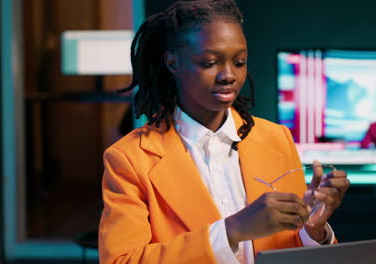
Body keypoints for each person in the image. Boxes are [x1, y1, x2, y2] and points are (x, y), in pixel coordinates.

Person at [99, 0, 350, 263]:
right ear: (172, 63)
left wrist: (313, 230)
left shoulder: (277, 139)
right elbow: (121, 260)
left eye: (239, 61)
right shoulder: (129, 158)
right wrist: (232, 230)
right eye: (210, 63)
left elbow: (290, 250)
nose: (229, 75)